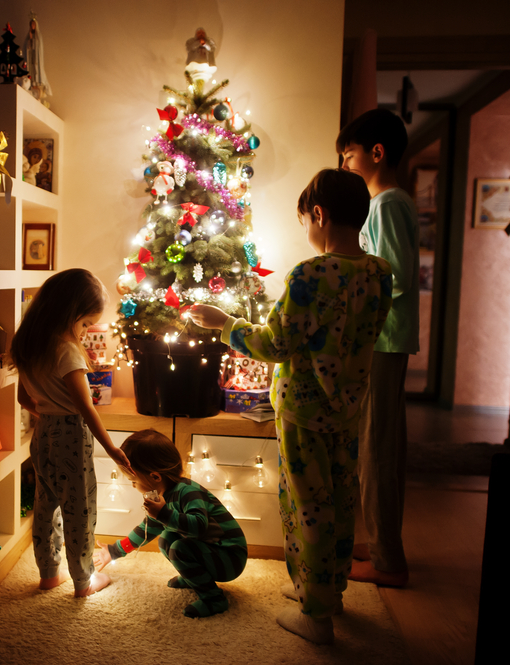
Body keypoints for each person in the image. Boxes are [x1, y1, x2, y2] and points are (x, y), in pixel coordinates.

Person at [189, 169, 393, 644]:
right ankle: (326, 588)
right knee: (340, 500)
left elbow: (276, 342)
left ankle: (316, 615)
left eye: (306, 220)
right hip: (347, 407)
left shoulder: (310, 274)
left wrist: (225, 324)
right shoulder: (379, 273)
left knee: (306, 506)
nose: (307, 229)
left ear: (317, 215)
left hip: (303, 411)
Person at [9, 268, 132, 598]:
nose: (85, 331)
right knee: (80, 508)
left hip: (42, 432)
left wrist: (48, 414)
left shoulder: (29, 345)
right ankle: (83, 580)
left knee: (46, 503)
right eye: (85, 323)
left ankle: (49, 573)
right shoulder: (67, 352)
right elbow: (85, 408)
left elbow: (23, 398)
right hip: (71, 437)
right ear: (70, 313)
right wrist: (113, 449)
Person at [337, 109, 419, 588]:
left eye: (349, 154)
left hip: (383, 340)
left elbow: (399, 276)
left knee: (376, 449)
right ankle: (385, 547)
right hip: (385, 340)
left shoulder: (386, 203)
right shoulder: (389, 202)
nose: (345, 163)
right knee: (379, 444)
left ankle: (389, 561)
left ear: (376, 153)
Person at [94, 429, 247, 618]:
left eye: (133, 481)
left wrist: (164, 514)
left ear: (155, 477)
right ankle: (194, 577)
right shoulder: (162, 497)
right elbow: (147, 529)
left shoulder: (188, 492)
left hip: (229, 557)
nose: (133, 486)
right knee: (166, 539)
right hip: (211, 549)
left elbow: (199, 526)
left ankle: (214, 599)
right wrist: (115, 550)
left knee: (179, 548)